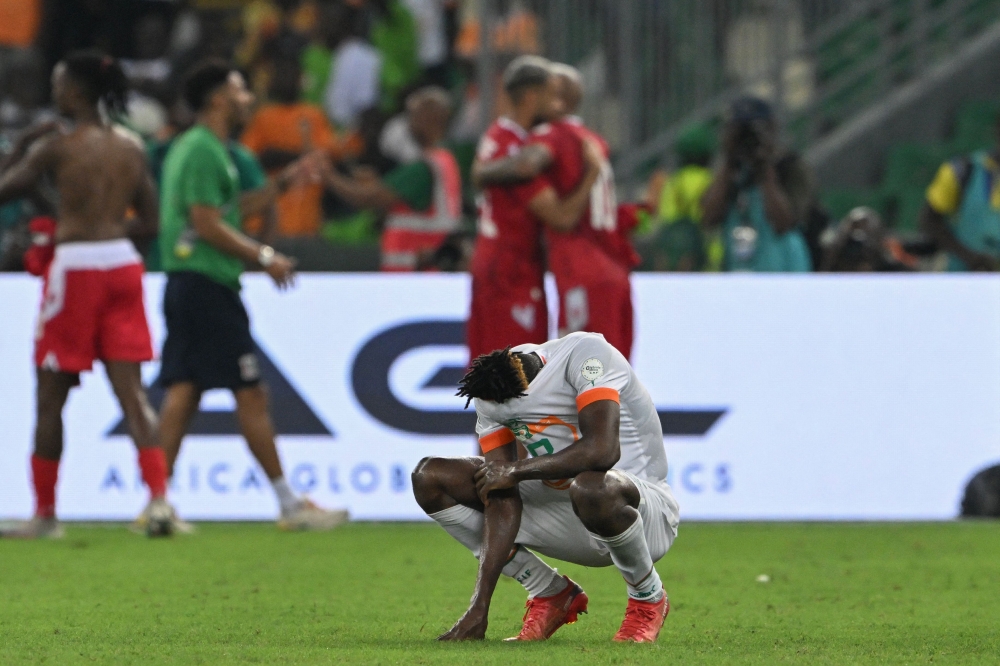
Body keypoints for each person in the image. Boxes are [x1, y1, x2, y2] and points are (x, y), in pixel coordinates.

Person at [157, 59, 347, 531]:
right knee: (250, 392)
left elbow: (224, 212)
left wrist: (284, 182)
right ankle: (289, 505)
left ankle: (156, 501)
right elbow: (206, 225)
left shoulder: (201, 147)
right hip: (207, 285)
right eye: (240, 90)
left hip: (188, 283)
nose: (248, 99)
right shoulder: (204, 149)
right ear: (219, 99)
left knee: (184, 389)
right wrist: (265, 257)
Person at [0, 51, 175, 539]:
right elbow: (153, 223)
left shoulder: (58, 146)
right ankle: (160, 502)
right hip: (122, 265)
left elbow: (4, 189)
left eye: (59, 83)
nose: (54, 91)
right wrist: (106, 230)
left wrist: (21, 145)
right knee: (132, 393)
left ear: (74, 92)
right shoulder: (131, 146)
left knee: (51, 396)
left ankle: (45, 515)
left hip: (76, 271)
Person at [412, 334, 679, 642]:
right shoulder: (492, 394)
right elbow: (499, 490)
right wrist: (479, 607)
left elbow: (603, 451)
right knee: (430, 476)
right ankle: (549, 592)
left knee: (592, 486)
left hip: (641, 512)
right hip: (563, 509)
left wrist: (517, 470)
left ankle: (648, 598)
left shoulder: (587, 355)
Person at [475, 63, 633, 358]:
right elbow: (557, 212)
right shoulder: (588, 138)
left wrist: (479, 173)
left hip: (569, 269)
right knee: (594, 375)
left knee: (576, 377)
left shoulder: (531, 140)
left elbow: (532, 176)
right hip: (529, 272)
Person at [322, 86, 462, 271]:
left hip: (412, 275)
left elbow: (367, 198)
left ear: (428, 118)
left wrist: (327, 175)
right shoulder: (445, 161)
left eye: (414, 115)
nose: (408, 123)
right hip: (430, 271)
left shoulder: (422, 169)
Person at [700, 97, 813, 272]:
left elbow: (785, 223)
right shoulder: (731, 172)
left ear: (772, 128)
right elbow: (709, 218)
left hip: (784, 270)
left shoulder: (790, 167)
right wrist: (729, 159)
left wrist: (765, 167)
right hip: (740, 269)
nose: (747, 139)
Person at [241, 57, 348, 238]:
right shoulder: (264, 116)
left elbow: (328, 153)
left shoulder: (313, 115)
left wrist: (283, 155)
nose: (287, 81)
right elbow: (248, 159)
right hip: (265, 220)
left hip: (304, 219)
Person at [920, 113, 1000, 271]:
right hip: (960, 278)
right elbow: (929, 221)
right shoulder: (963, 171)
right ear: (997, 132)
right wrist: (969, 256)